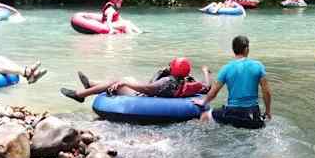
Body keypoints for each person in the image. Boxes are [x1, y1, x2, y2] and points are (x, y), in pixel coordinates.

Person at [194, 35, 272, 129]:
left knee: (205, 116)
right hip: (252, 116)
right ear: (246, 49)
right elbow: (266, 93)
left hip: (232, 114)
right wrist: (267, 111)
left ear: (233, 49)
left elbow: (213, 93)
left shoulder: (226, 68)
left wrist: (203, 102)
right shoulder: (258, 66)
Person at [60, 58, 212, 102]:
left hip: (142, 98)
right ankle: (91, 84)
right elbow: (207, 87)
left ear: (174, 69)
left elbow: (147, 88)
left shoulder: (166, 82)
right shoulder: (188, 83)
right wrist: (206, 72)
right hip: (156, 94)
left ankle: (80, 95)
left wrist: (125, 84)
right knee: (128, 78)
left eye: (171, 66)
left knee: (116, 80)